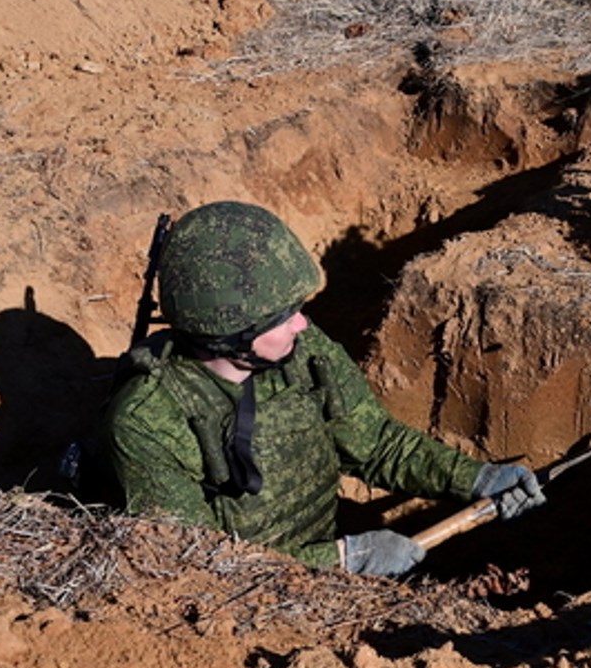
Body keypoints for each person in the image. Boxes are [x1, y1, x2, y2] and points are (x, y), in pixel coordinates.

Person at [101, 201, 544, 576]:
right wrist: (345, 558)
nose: (301, 323)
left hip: (315, 557)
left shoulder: (301, 349)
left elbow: (376, 445)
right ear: (226, 335)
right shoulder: (147, 421)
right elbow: (196, 565)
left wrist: (478, 479)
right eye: (281, 318)